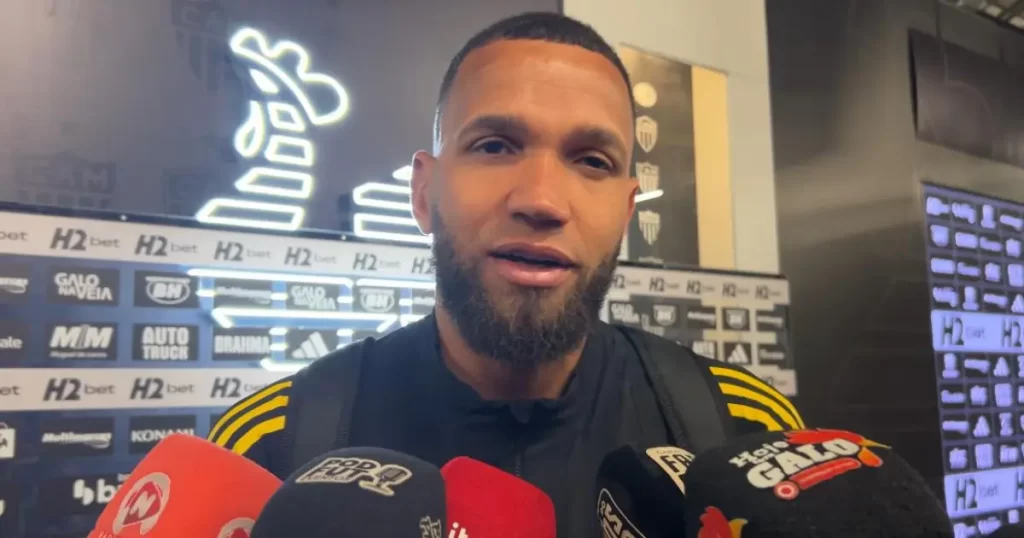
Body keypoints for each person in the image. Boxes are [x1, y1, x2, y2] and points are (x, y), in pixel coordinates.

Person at [209, 11, 804, 537]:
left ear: (626, 214)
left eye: (592, 161)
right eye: (495, 146)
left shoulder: (744, 432)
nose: (542, 201)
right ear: (423, 194)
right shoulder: (269, 448)